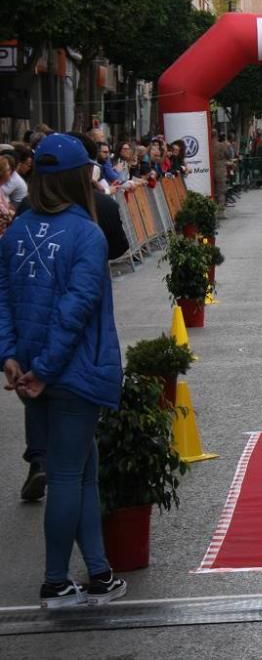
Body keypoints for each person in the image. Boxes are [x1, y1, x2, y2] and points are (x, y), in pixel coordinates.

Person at [0, 134, 128, 608]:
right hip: (70, 373)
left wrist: (11, 358)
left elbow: (4, 301)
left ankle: (98, 572)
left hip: (32, 375)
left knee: (82, 471)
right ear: (79, 179)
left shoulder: (16, 231)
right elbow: (75, 312)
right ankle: (56, 580)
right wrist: (46, 369)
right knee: (69, 477)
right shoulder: (86, 235)